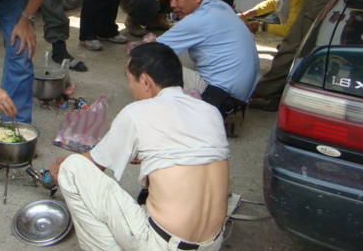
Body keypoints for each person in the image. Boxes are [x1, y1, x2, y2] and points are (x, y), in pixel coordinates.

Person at [49, 42, 229, 251]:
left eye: (129, 79)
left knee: (72, 169)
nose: (128, 87)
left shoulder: (137, 112)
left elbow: (91, 165)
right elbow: (186, 154)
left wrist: (58, 169)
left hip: (162, 245)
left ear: (145, 81)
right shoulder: (210, 112)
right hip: (212, 244)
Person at [157, 0, 259, 118]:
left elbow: (148, 52)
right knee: (179, 47)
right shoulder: (220, 5)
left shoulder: (197, 20)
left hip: (217, 100)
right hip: (237, 100)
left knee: (151, 65)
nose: (172, 4)